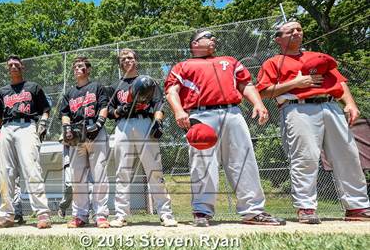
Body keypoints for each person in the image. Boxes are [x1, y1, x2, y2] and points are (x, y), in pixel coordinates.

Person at [165, 30, 286, 227]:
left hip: (232, 112)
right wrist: (178, 110)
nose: (213, 38)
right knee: (203, 164)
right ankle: (202, 211)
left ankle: (253, 211)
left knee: (244, 160)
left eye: (213, 37)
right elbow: (172, 90)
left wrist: (259, 103)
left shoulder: (230, 61)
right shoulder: (183, 66)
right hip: (200, 114)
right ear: (194, 44)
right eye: (207, 36)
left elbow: (245, 84)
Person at [256, 20, 370, 223]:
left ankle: (357, 207)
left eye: (299, 29)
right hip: (297, 107)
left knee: (348, 155)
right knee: (305, 157)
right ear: (278, 39)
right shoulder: (273, 62)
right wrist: (296, 83)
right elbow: (264, 92)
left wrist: (351, 104)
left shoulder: (317, 57)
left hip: (330, 105)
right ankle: (306, 208)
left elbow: (339, 82)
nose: (296, 32)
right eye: (290, 31)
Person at [107, 48, 177, 227]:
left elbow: (159, 103)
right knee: (122, 171)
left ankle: (165, 213)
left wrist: (158, 122)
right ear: (120, 64)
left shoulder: (148, 81)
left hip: (144, 122)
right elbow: (108, 111)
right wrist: (117, 111)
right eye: (123, 59)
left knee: (154, 169)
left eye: (130, 57)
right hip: (123, 125)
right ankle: (121, 214)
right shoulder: (116, 86)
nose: (127, 60)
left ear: (136, 60)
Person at [0, 55, 52, 229]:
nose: (13, 66)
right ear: (8, 69)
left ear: (22, 66)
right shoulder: (2, 92)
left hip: (27, 126)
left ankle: (42, 213)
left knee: (32, 168)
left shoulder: (33, 87)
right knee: (5, 173)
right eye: (10, 65)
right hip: (6, 129)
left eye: (16, 64)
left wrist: (43, 122)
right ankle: (7, 215)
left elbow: (45, 109)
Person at [59, 56, 110, 228]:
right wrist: (66, 128)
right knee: (77, 176)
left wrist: (99, 123)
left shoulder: (97, 87)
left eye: (81, 66)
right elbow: (65, 113)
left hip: (95, 131)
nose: (77, 69)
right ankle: (80, 215)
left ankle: (100, 214)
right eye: (75, 67)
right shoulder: (69, 93)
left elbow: (104, 106)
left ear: (88, 70)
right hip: (77, 134)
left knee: (99, 174)